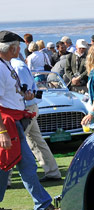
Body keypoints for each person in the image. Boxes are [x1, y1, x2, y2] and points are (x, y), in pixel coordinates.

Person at [0, 32, 59, 210]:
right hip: (7, 123)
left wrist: (24, 96)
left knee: (5, 166)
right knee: (25, 164)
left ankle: (42, 204)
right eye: (17, 46)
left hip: (13, 121)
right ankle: (42, 204)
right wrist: (2, 131)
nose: (20, 49)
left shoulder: (6, 65)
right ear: (11, 48)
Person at [10, 43, 61, 181]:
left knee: (14, 141)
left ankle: (6, 178)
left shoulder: (17, 66)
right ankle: (52, 172)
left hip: (25, 109)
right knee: (36, 142)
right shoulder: (13, 65)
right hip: (26, 109)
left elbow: (27, 92)